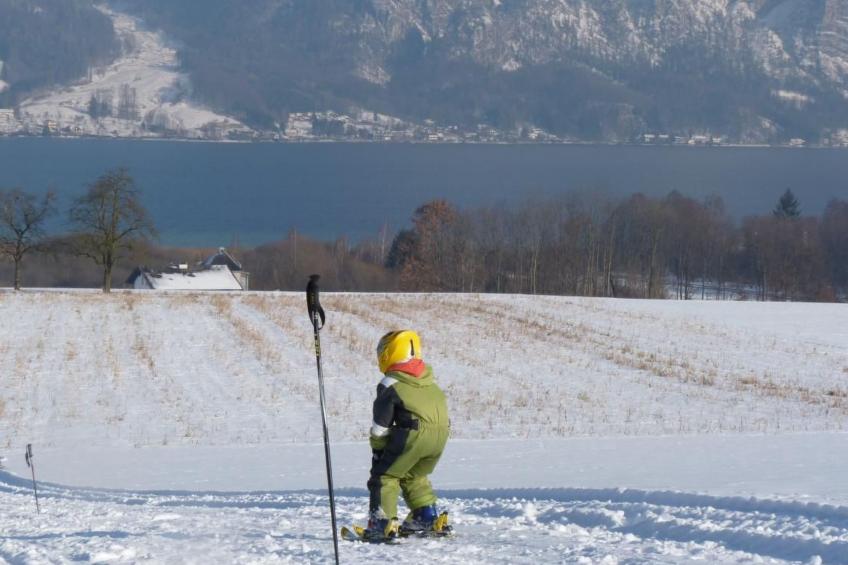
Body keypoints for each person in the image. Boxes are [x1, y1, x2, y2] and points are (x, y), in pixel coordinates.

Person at [366, 330, 451, 539]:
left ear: (389, 353)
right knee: (414, 474)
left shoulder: (390, 383)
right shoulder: (430, 381)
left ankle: (382, 522)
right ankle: (426, 515)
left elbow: (381, 425)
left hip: (414, 435)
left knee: (385, 475)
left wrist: (378, 449)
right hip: (440, 437)